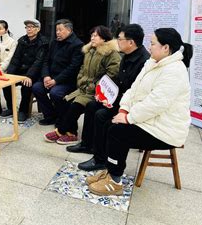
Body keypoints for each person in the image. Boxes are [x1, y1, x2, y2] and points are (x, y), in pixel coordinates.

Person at [87, 28, 193, 196]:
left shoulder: (175, 71)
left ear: (166, 48)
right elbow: (133, 90)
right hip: (150, 120)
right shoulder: (152, 63)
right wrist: (123, 110)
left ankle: (115, 181)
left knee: (117, 131)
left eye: (152, 44)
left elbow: (156, 104)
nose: (149, 47)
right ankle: (110, 169)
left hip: (165, 129)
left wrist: (128, 118)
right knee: (109, 123)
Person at [70, 24, 149, 165]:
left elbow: (136, 92)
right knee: (91, 105)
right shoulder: (126, 55)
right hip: (119, 97)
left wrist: (114, 101)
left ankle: (100, 158)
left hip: (130, 104)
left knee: (101, 115)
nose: (117, 41)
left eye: (119, 39)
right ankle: (87, 144)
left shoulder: (143, 62)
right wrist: (104, 94)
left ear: (130, 42)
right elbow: (118, 81)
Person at [44, 26, 120, 145]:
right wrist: (80, 80)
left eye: (96, 36)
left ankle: (60, 131)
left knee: (75, 105)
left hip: (96, 92)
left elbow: (111, 75)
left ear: (104, 39)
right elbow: (82, 69)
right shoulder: (89, 51)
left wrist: (93, 85)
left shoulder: (111, 54)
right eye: (92, 35)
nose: (92, 38)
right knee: (65, 101)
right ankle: (71, 133)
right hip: (83, 88)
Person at [32, 19, 83, 126]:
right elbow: (46, 61)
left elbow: (73, 68)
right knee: (37, 87)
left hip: (66, 81)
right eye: (56, 30)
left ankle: (62, 117)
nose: (57, 33)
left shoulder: (77, 45)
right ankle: (50, 115)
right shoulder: (54, 42)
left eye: (60, 30)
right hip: (51, 77)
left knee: (55, 93)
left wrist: (56, 80)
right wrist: (46, 76)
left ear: (69, 30)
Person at [4, 19, 49, 123]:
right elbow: (16, 59)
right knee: (6, 83)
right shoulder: (22, 40)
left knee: (26, 85)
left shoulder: (43, 42)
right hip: (20, 71)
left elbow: (39, 62)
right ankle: (10, 108)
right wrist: (9, 74)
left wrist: (29, 76)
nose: (28, 29)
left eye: (31, 27)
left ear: (38, 29)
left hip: (34, 73)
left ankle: (23, 111)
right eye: (27, 27)